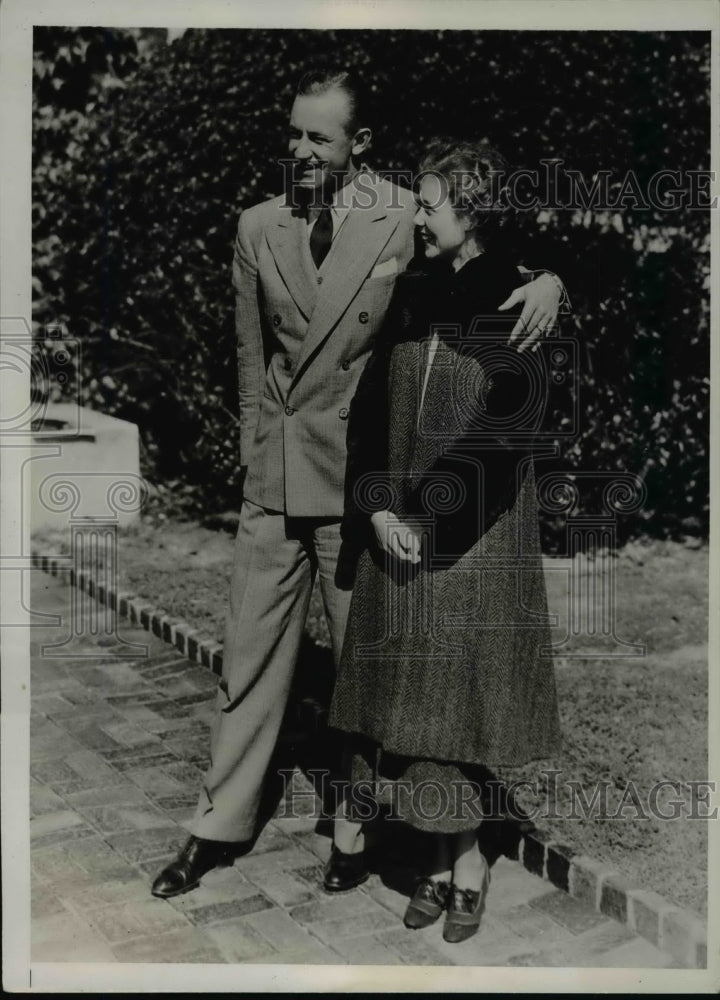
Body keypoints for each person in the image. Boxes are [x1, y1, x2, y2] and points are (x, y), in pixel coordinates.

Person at [151, 68, 567, 900]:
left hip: (357, 486)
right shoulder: (256, 225)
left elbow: (481, 262)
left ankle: (357, 825)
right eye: (293, 134)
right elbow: (247, 361)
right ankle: (216, 825)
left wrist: (554, 281)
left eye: (320, 138)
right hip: (275, 479)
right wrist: (251, 449)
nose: (301, 151)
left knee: (368, 669)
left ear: (358, 146)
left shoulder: (401, 214)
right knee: (248, 659)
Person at [326, 138, 562, 943]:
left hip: (476, 538)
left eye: (429, 205)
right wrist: (379, 508)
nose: (417, 218)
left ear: (471, 209)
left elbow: (505, 438)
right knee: (407, 704)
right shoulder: (414, 292)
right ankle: (439, 856)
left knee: (452, 711)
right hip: (400, 527)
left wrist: (429, 517)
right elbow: (365, 417)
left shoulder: (520, 303)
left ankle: (464, 864)